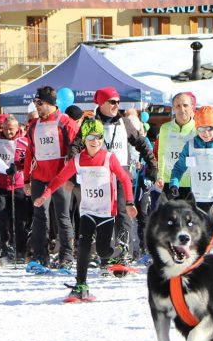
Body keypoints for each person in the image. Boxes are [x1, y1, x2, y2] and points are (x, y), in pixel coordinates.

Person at [34, 117, 137, 302]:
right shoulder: (78, 159)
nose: (95, 141)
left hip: (106, 212)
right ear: (84, 138)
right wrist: (45, 194)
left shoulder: (109, 157)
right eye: (90, 136)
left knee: (103, 250)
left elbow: (125, 179)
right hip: (88, 210)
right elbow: (60, 178)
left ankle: (120, 251)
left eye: (98, 136)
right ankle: (81, 284)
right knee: (82, 247)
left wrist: (129, 203)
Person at [68, 86, 157, 262]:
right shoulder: (91, 123)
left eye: (118, 102)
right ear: (101, 103)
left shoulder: (124, 123)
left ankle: (123, 252)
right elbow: (76, 146)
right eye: (112, 102)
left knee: (123, 213)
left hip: (121, 173)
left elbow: (141, 143)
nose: (117, 105)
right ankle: (101, 254)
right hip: (98, 176)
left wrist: (152, 164)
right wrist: (73, 171)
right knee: (100, 214)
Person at [23, 85, 80, 268]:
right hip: (39, 177)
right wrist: (26, 179)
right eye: (35, 102)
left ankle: (66, 256)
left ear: (50, 103)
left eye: (39, 103)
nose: (36, 106)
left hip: (60, 178)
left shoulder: (66, 123)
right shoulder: (33, 126)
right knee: (40, 217)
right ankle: (40, 255)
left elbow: (76, 152)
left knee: (62, 217)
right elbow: (29, 153)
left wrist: (71, 178)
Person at [0, 114, 30, 262]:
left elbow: (28, 161)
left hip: (18, 185)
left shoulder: (24, 142)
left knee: (20, 220)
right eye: (6, 129)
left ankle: (20, 249)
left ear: (18, 128)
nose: (9, 132)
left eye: (12, 129)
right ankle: (5, 247)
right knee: (2, 218)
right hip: (1, 185)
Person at [153, 92, 198, 202]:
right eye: (178, 106)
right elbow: (162, 153)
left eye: (185, 105)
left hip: (192, 183)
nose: (182, 109)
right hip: (170, 182)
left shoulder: (198, 129)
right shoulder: (165, 128)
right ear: (173, 108)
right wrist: (160, 176)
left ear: (192, 107)